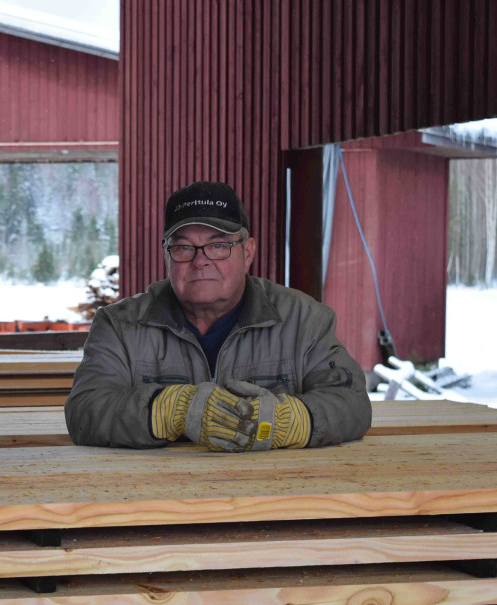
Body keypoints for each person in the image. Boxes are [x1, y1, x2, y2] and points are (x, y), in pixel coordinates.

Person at [64, 180, 371, 451]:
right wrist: (169, 410)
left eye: (218, 245)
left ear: (247, 252)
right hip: (155, 499)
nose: (201, 261)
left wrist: (289, 422)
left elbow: (352, 403)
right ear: (167, 257)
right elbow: (86, 411)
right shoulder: (120, 326)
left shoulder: (303, 320)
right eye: (183, 247)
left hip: (274, 496)